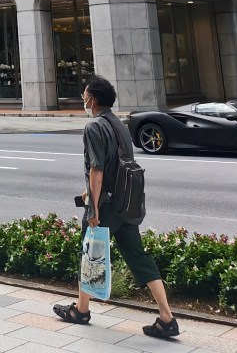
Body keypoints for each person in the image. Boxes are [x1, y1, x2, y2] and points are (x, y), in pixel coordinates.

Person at [52, 75, 178, 340]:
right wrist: (89, 190)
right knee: (139, 257)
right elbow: (119, 164)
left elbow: (97, 168)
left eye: (85, 94)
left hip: (106, 205)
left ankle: (81, 310)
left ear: (92, 99)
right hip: (126, 203)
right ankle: (167, 318)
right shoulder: (119, 124)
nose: (83, 98)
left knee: (89, 253)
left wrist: (93, 208)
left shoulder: (94, 127)